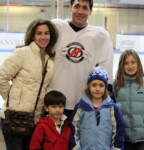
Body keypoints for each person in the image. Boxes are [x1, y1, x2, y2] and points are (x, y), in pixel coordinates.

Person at [48, 0, 114, 119]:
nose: (80, 11)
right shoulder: (56, 27)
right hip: (55, 101)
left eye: (84, 8)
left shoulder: (100, 35)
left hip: (84, 102)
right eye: (77, 6)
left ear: (90, 11)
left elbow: (106, 68)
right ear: (70, 8)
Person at [0, 19, 58, 150]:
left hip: (34, 120)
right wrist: (11, 98)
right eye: (39, 33)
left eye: (46, 33)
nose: (43, 37)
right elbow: (1, 77)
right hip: (14, 118)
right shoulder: (23, 53)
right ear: (33, 36)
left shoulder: (50, 60)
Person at [70, 66, 125, 150]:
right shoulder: (80, 107)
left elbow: (118, 133)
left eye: (101, 85)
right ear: (89, 86)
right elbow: (73, 131)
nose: (97, 89)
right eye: (94, 85)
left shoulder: (113, 108)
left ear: (105, 87)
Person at [112, 49, 144, 150]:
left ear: (138, 64)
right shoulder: (115, 85)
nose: (130, 66)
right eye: (126, 63)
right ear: (121, 66)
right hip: (123, 137)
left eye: (133, 62)